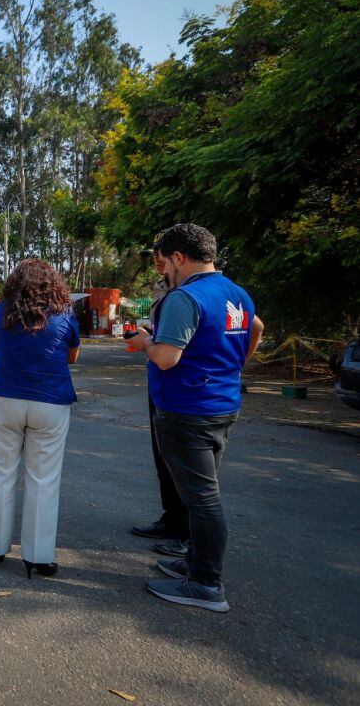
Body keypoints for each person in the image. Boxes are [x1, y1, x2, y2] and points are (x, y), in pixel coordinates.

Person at [126, 224, 264, 612]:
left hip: (187, 408)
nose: (163, 270)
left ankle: (206, 583)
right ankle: (194, 563)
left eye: (165, 262)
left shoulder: (185, 297)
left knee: (203, 499)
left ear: (180, 258)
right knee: (201, 493)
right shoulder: (236, 292)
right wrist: (233, 366)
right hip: (222, 403)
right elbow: (256, 328)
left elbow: (167, 357)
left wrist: (144, 342)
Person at [0, 259, 80, 578]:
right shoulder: (64, 313)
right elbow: (72, 356)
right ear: (53, 283)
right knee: (44, 479)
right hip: (50, 401)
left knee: (1, 473)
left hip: (4, 398)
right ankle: (38, 556)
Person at [130, 245, 190, 555]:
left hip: (185, 391)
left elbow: (254, 327)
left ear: (179, 258)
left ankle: (188, 538)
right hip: (162, 387)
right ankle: (172, 520)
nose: (158, 266)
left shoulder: (192, 293)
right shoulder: (166, 287)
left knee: (189, 474)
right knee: (164, 459)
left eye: (162, 260)